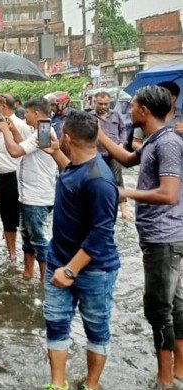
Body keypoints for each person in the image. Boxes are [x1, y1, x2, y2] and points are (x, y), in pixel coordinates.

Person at [96, 85, 183, 389]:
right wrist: (99, 134)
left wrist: (125, 192)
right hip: (161, 236)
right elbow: (127, 159)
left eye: (131, 106)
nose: (127, 110)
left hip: (164, 236)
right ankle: (179, 370)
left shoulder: (168, 143)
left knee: (158, 307)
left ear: (144, 111)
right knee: (174, 302)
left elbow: (170, 194)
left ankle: (165, 379)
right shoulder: (154, 139)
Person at [39, 111, 120, 390]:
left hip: (93, 269)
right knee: (56, 323)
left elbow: (102, 233)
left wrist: (71, 270)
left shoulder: (100, 179)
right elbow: (73, 180)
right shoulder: (75, 164)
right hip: (59, 261)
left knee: (96, 329)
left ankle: (91, 385)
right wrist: (54, 154)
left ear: (67, 137)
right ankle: (57, 384)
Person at [0, 98, 58, 281]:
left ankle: (44, 280)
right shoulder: (40, 131)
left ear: (37, 114)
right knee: (27, 236)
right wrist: (13, 131)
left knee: (38, 239)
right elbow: (26, 146)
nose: (25, 115)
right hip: (28, 195)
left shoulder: (44, 132)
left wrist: (5, 131)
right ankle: (28, 273)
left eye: (28, 113)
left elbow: (15, 151)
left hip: (37, 198)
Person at [0, 93, 32, 261]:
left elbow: (28, 151)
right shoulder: (0, 126)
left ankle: (26, 257)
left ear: (3, 106)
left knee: (20, 219)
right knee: (6, 218)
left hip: (14, 177)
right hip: (0, 177)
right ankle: (12, 255)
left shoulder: (19, 125)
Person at [92, 91, 132, 220]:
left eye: (106, 104)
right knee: (98, 180)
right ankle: (98, 208)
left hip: (115, 154)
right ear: (95, 102)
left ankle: (124, 210)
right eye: (100, 104)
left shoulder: (116, 115)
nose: (103, 106)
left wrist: (121, 143)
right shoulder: (90, 117)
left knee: (118, 180)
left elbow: (123, 130)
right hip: (97, 154)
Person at [131, 81, 183, 150]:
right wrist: (150, 151)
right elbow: (136, 142)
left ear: (173, 98)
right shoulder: (146, 114)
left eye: (162, 95)